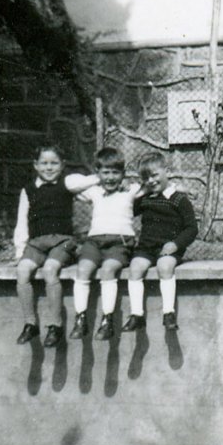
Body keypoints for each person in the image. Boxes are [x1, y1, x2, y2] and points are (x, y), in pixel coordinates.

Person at [13, 145, 98, 348]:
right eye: (44, 163)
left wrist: (102, 177)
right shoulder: (28, 190)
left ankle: (55, 325)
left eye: (54, 163)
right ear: (35, 165)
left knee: (50, 270)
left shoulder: (67, 183)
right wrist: (19, 250)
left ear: (62, 165)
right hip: (37, 243)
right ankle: (30, 323)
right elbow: (22, 220)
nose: (49, 167)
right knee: (23, 270)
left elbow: (87, 182)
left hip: (63, 241)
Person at [71, 146, 140, 341]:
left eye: (115, 173)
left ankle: (107, 320)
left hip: (120, 243)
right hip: (94, 242)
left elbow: (151, 184)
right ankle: (80, 318)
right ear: (98, 172)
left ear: (123, 173)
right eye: (106, 172)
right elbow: (70, 185)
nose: (110, 178)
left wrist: (128, 182)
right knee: (83, 269)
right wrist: (96, 179)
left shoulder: (129, 191)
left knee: (108, 269)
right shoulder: (94, 191)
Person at [124, 152, 197, 333]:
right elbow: (128, 210)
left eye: (154, 175)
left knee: (164, 267)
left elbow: (191, 228)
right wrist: (139, 191)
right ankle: (136, 314)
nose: (151, 181)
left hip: (168, 248)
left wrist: (175, 244)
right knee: (135, 268)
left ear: (167, 172)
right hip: (146, 247)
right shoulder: (145, 199)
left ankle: (168, 313)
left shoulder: (179, 199)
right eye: (146, 178)